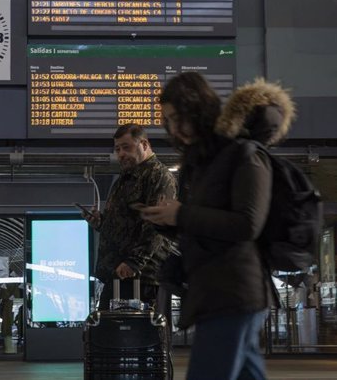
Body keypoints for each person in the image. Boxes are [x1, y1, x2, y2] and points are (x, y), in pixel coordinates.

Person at [140, 72, 276, 380]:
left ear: (198, 109)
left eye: (179, 117)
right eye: (168, 120)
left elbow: (247, 224)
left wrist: (182, 215)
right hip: (216, 292)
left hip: (233, 293)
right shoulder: (201, 162)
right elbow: (205, 226)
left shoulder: (244, 153)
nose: (174, 128)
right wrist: (168, 221)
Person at [83, 123, 177, 312]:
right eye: (117, 149)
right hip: (119, 272)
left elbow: (157, 224)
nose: (121, 154)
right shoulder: (125, 178)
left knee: (142, 336)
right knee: (110, 335)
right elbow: (125, 225)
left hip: (142, 276)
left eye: (126, 147)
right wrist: (100, 222)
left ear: (144, 144)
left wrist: (134, 262)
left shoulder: (158, 176)